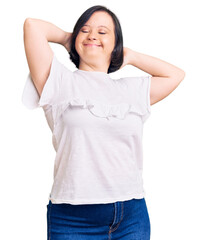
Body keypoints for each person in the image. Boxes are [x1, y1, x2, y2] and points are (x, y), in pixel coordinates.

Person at [22, 5, 185, 240]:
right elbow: (32, 26)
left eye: (102, 32)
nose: (92, 36)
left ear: (116, 43)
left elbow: (176, 75)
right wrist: (71, 38)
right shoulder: (57, 81)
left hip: (131, 214)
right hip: (72, 218)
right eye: (85, 30)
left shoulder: (131, 89)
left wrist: (130, 56)